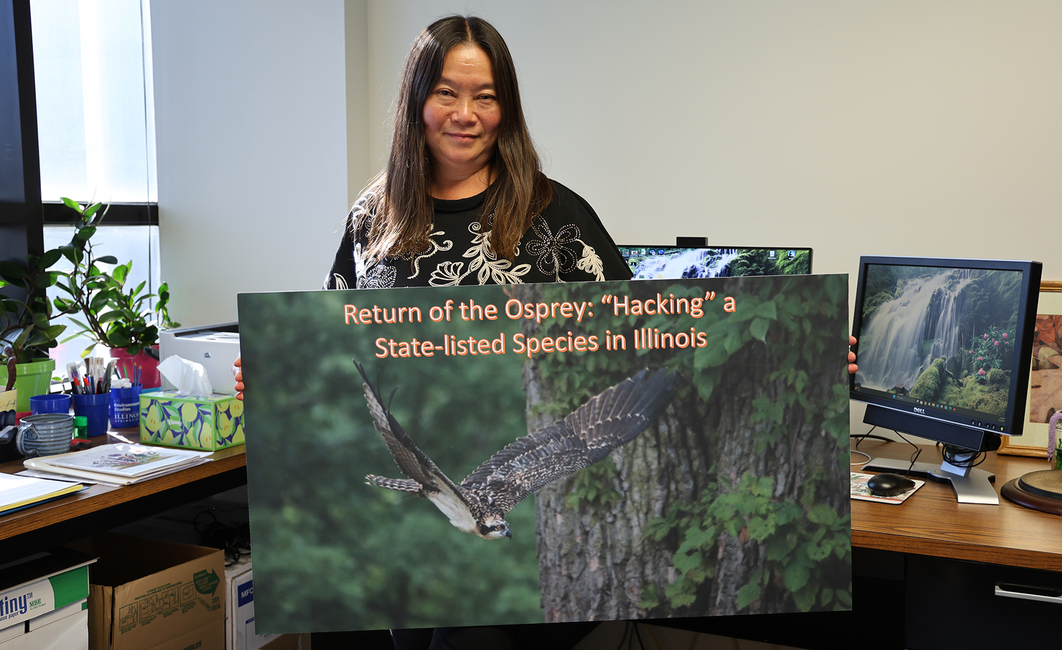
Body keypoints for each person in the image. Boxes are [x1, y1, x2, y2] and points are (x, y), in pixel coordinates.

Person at [232, 14, 857, 649]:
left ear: (508, 108)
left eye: (486, 96)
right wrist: (261, 381)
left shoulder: (558, 217)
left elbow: (651, 328)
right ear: (416, 101)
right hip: (420, 556)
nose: (465, 113)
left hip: (513, 598)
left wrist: (819, 358)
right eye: (446, 92)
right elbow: (339, 340)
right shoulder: (374, 218)